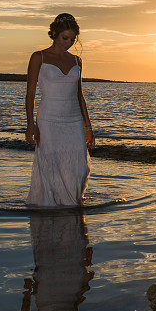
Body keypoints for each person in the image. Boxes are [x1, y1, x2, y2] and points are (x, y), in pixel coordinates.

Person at [25, 13, 94, 207]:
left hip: (73, 121)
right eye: (65, 38)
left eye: (72, 39)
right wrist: (30, 124)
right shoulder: (38, 57)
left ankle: (71, 205)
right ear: (54, 33)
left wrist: (88, 126)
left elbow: (79, 96)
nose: (69, 43)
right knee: (52, 167)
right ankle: (52, 211)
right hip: (48, 120)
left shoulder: (77, 61)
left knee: (79, 167)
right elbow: (30, 94)